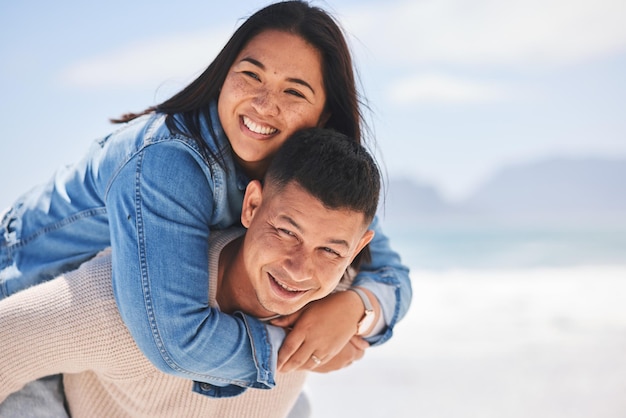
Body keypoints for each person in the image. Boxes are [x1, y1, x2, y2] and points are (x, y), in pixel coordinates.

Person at [0, 0, 411, 410]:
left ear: (325, 117)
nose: (264, 104)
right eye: (251, 76)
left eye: (293, 92)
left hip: (102, 358)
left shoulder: (305, 184)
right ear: (223, 79)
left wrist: (356, 309)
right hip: (32, 300)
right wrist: (300, 345)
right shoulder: (166, 160)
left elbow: (387, 271)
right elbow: (177, 339)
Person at [0, 128, 381, 418]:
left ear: (356, 249)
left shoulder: (333, 300)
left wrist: (360, 309)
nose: (299, 269)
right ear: (251, 205)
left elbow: (392, 287)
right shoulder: (122, 304)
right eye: (286, 232)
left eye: (330, 250)